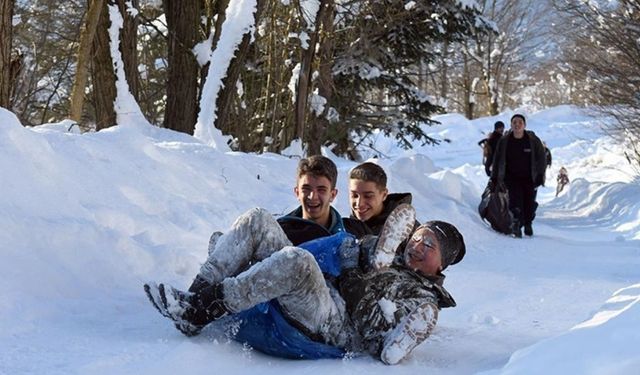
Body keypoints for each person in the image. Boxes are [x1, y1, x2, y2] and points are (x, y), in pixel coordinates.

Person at [144, 203, 466, 365]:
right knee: (258, 220)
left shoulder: (421, 297)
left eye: (429, 246)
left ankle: (202, 309)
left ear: (442, 264)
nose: (417, 247)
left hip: (338, 327)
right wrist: (361, 254)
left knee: (296, 262)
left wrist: (355, 279)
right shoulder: (390, 256)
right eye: (418, 238)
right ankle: (195, 296)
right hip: (328, 293)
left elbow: (370, 332)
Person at [491, 114, 547, 237]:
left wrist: (540, 175)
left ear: (524, 125)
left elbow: (541, 158)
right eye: (514, 122)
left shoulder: (532, 140)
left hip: (529, 177)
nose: (517, 125)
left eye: (520, 122)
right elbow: (497, 159)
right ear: (511, 125)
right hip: (510, 177)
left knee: (529, 202)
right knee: (515, 201)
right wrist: (494, 177)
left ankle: (528, 223)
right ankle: (516, 223)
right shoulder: (505, 141)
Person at [343, 162, 419, 239]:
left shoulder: (407, 228)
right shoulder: (344, 229)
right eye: (354, 195)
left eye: (368, 196)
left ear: (384, 195)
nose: (359, 204)